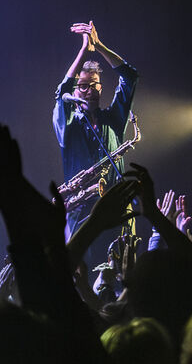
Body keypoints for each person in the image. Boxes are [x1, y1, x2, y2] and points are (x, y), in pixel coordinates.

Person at [52, 20, 137, 239]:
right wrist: (83, 50)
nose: (91, 91)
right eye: (83, 86)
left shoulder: (113, 119)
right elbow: (63, 91)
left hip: (116, 210)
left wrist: (99, 46)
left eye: (95, 84)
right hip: (81, 215)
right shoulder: (68, 124)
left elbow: (130, 77)